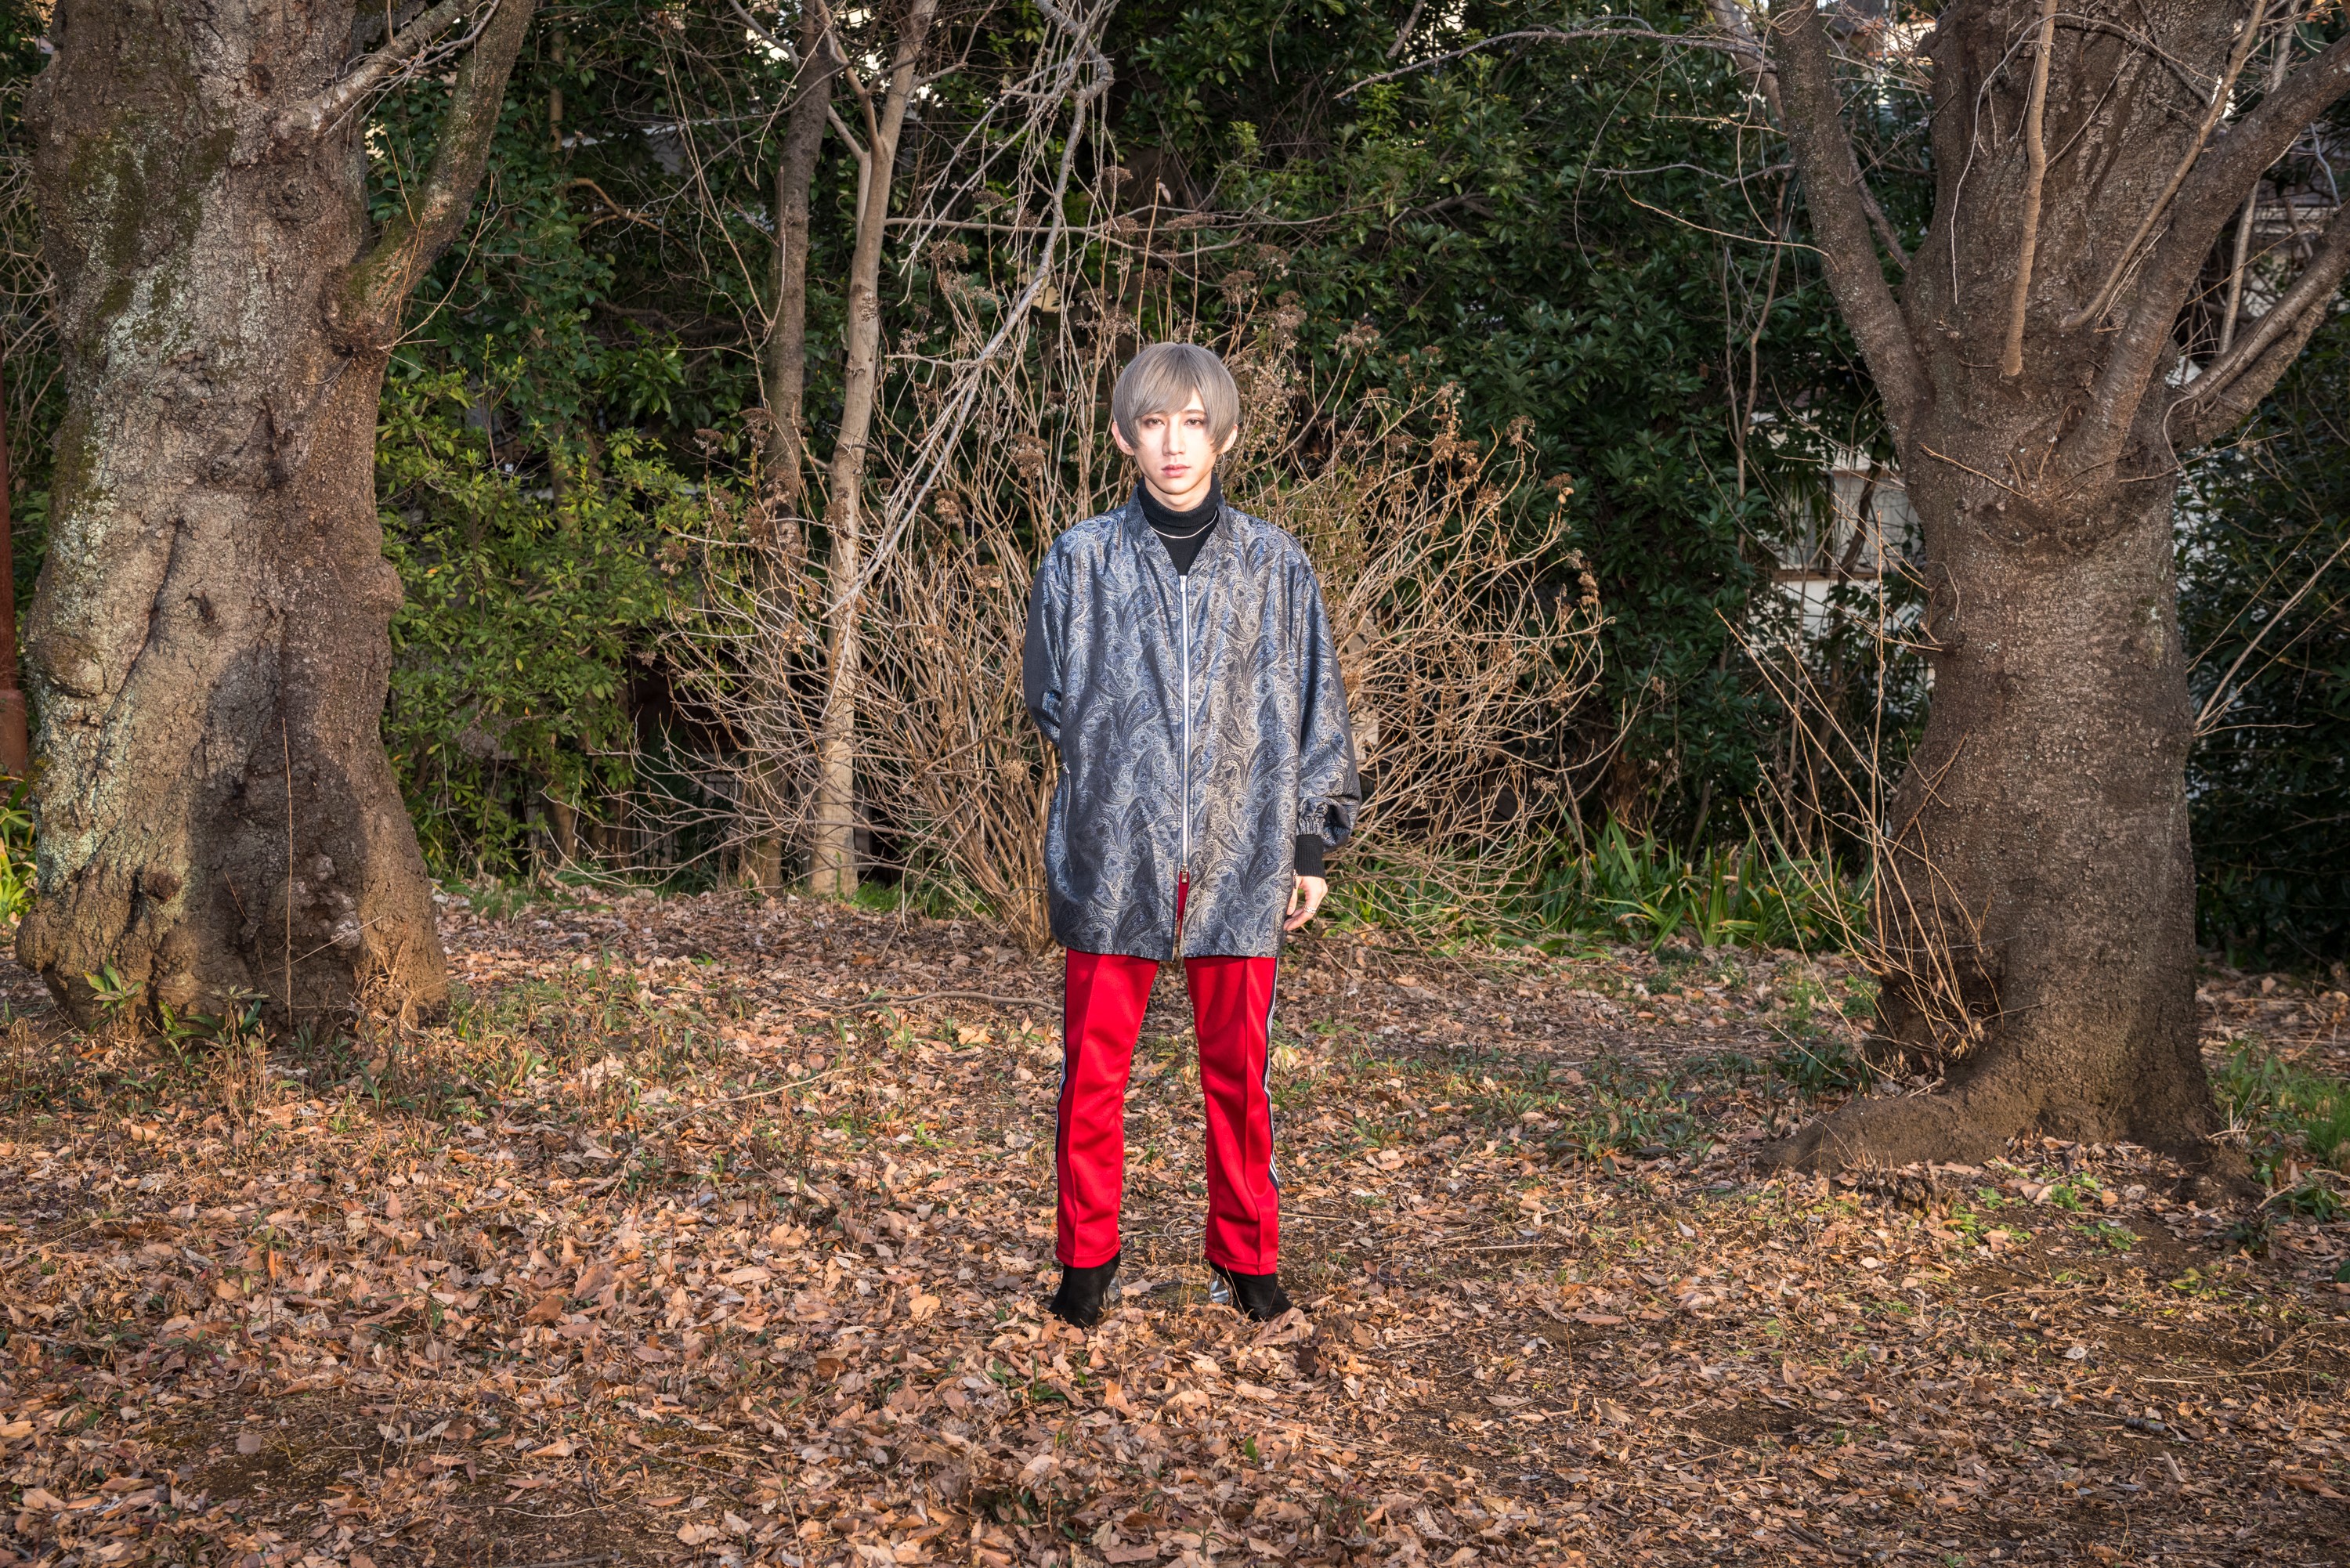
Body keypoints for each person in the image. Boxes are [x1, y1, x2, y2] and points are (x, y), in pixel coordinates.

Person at [1021, 341, 1360, 1328]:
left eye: (1195, 423)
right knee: (1092, 1072)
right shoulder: (1080, 559)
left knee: (1239, 1076)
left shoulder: (1274, 564)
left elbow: (1316, 709)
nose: (1175, 444)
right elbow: (1050, 697)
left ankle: (1247, 1259)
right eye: (1156, 423)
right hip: (1112, 855)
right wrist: (1121, 775)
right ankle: (1086, 1263)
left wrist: (1307, 845)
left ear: (1226, 435)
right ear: (1125, 433)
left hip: (1241, 854)